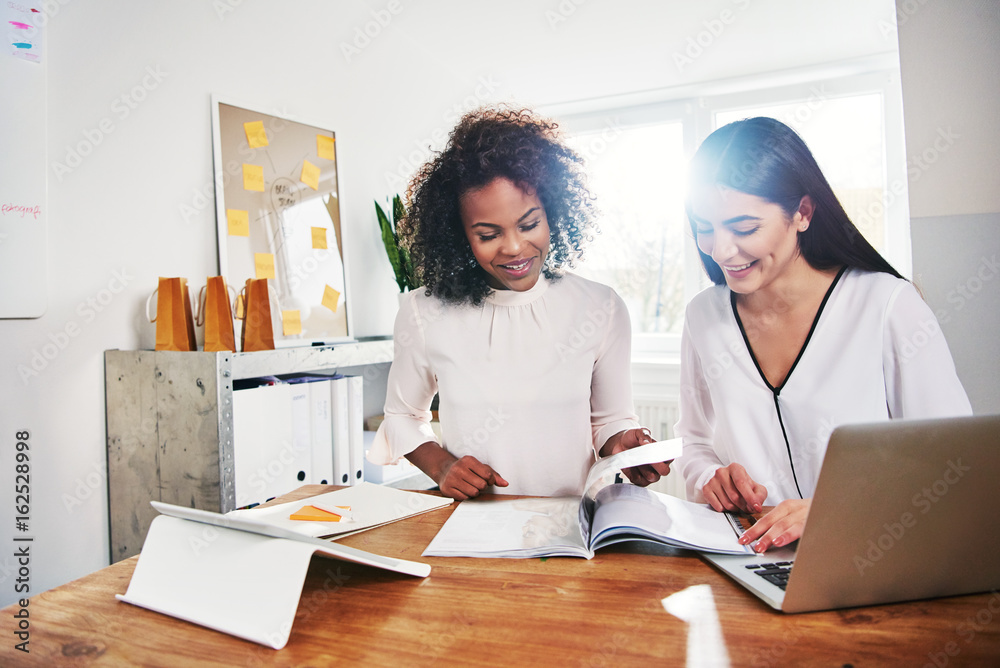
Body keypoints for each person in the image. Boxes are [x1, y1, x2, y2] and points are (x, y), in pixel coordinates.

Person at [674, 117, 972, 552]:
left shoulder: (887, 305)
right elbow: (692, 441)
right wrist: (707, 476)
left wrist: (836, 508)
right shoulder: (703, 317)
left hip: (873, 556)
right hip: (752, 563)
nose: (720, 250)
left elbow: (954, 465)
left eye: (743, 228)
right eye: (704, 226)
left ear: (803, 213)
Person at [368, 106, 671, 500]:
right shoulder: (423, 312)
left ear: (554, 213)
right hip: (476, 525)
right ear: (460, 235)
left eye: (529, 224)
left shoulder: (601, 307)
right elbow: (402, 416)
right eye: (488, 234)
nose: (514, 247)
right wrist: (443, 468)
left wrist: (625, 447)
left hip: (575, 527)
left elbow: (609, 421)